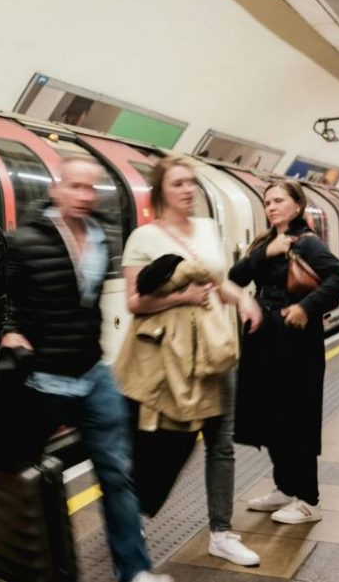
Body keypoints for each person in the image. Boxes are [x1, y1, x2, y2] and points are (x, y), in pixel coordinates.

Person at [1, 156, 172, 582]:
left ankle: (134, 571)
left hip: (93, 372)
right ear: (56, 189)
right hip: (42, 378)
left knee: (118, 473)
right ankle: (21, 569)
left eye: (90, 188)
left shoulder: (100, 236)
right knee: (18, 477)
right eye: (75, 187)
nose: (83, 196)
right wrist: (8, 332)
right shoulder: (23, 241)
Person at [120, 156, 262, 567]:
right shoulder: (142, 238)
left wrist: (246, 300)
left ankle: (221, 532)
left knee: (221, 444)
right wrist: (181, 297)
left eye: (192, 183)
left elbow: (220, 283)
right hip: (171, 357)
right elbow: (134, 303)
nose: (188, 190)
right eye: (179, 183)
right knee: (167, 444)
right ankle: (137, 516)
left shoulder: (207, 229)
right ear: (161, 189)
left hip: (216, 349)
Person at [229, 180, 339, 524]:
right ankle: (284, 488)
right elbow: (234, 277)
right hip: (266, 335)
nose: (271, 207)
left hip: (295, 339)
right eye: (267, 202)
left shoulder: (308, 243)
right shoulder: (267, 243)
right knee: (271, 415)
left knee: (297, 416)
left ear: (297, 206)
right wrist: (264, 255)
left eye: (279, 201)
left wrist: (306, 308)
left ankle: (308, 500)